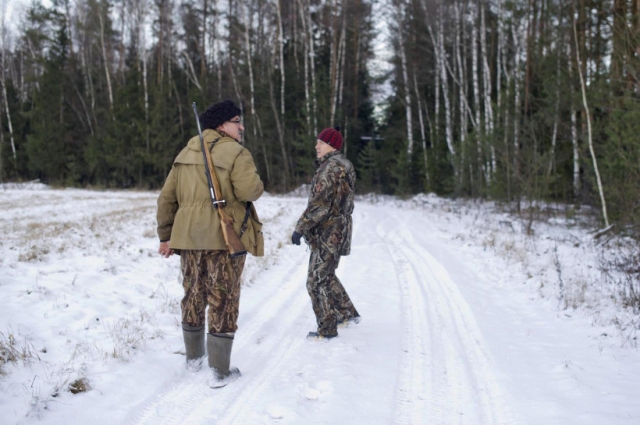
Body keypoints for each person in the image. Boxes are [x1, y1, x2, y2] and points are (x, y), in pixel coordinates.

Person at [156, 99, 264, 385]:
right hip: (223, 239)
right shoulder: (237, 152)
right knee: (223, 298)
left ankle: (194, 360)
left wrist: (165, 236)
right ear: (221, 125)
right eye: (237, 121)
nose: (242, 127)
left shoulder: (185, 152)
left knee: (193, 294)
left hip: (188, 239)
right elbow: (250, 190)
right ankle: (219, 370)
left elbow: (167, 198)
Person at [291, 126, 360, 339]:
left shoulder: (329, 168)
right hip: (339, 230)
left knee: (316, 280)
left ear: (332, 145)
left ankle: (327, 328)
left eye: (321, 142)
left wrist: (300, 228)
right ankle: (347, 313)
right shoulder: (344, 165)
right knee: (326, 274)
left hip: (328, 233)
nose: (316, 146)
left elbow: (319, 205)